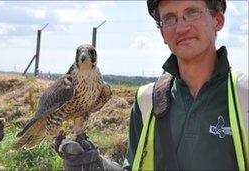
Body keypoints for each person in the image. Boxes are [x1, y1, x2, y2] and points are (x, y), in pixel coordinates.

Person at [56, 0, 248, 170]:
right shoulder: (146, 101)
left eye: (192, 12)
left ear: (218, 21)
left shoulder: (245, 95)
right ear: (163, 33)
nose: (181, 28)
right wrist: (99, 166)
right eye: (170, 18)